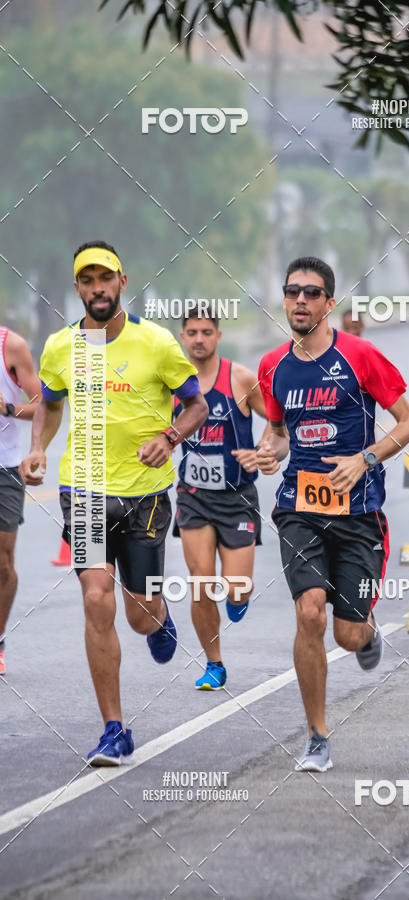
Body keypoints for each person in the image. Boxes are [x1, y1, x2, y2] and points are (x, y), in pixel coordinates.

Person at [20, 241, 207, 765]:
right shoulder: (60, 346)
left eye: (105, 279)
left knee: (140, 615)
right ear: (77, 288)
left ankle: (159, 618)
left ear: (122, 282)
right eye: (87, 280)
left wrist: (170, 438)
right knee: (96, 596)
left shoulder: (157, 343)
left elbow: (198, 404)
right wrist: (38, 446)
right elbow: (48, 404)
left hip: (145, 495)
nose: (97, 289)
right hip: (82, 489)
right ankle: (114, 729)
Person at [257, 256, 409, 773]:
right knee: (309, 611)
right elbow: (280, 434)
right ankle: (317, 737)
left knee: (346, 635)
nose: (300, 301)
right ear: (284, 299)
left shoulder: (360, 356)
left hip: (359, 513)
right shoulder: (272, 367)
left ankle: (368, 631)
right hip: (299, 507)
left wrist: (365, 457)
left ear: (330, 303)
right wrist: (269, 451)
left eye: (311, 293)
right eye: (292, 292)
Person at [174, 308, 269, 690]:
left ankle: (238, 598)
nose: (199, 339)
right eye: (192, 332)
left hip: (237, 497)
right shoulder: (174, 382)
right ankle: (214, 664)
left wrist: (262, 451)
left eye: (206, 332)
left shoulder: (241, 378)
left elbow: (277, 425)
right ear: (182, 337)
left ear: (218, 336)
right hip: (193, 496)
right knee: (200, 582)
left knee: (237, 587)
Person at [0, 327, 41, 675]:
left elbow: (43, 403)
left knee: (2, 562)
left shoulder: (10, 345)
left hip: (4, 467)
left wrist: (9, 407)